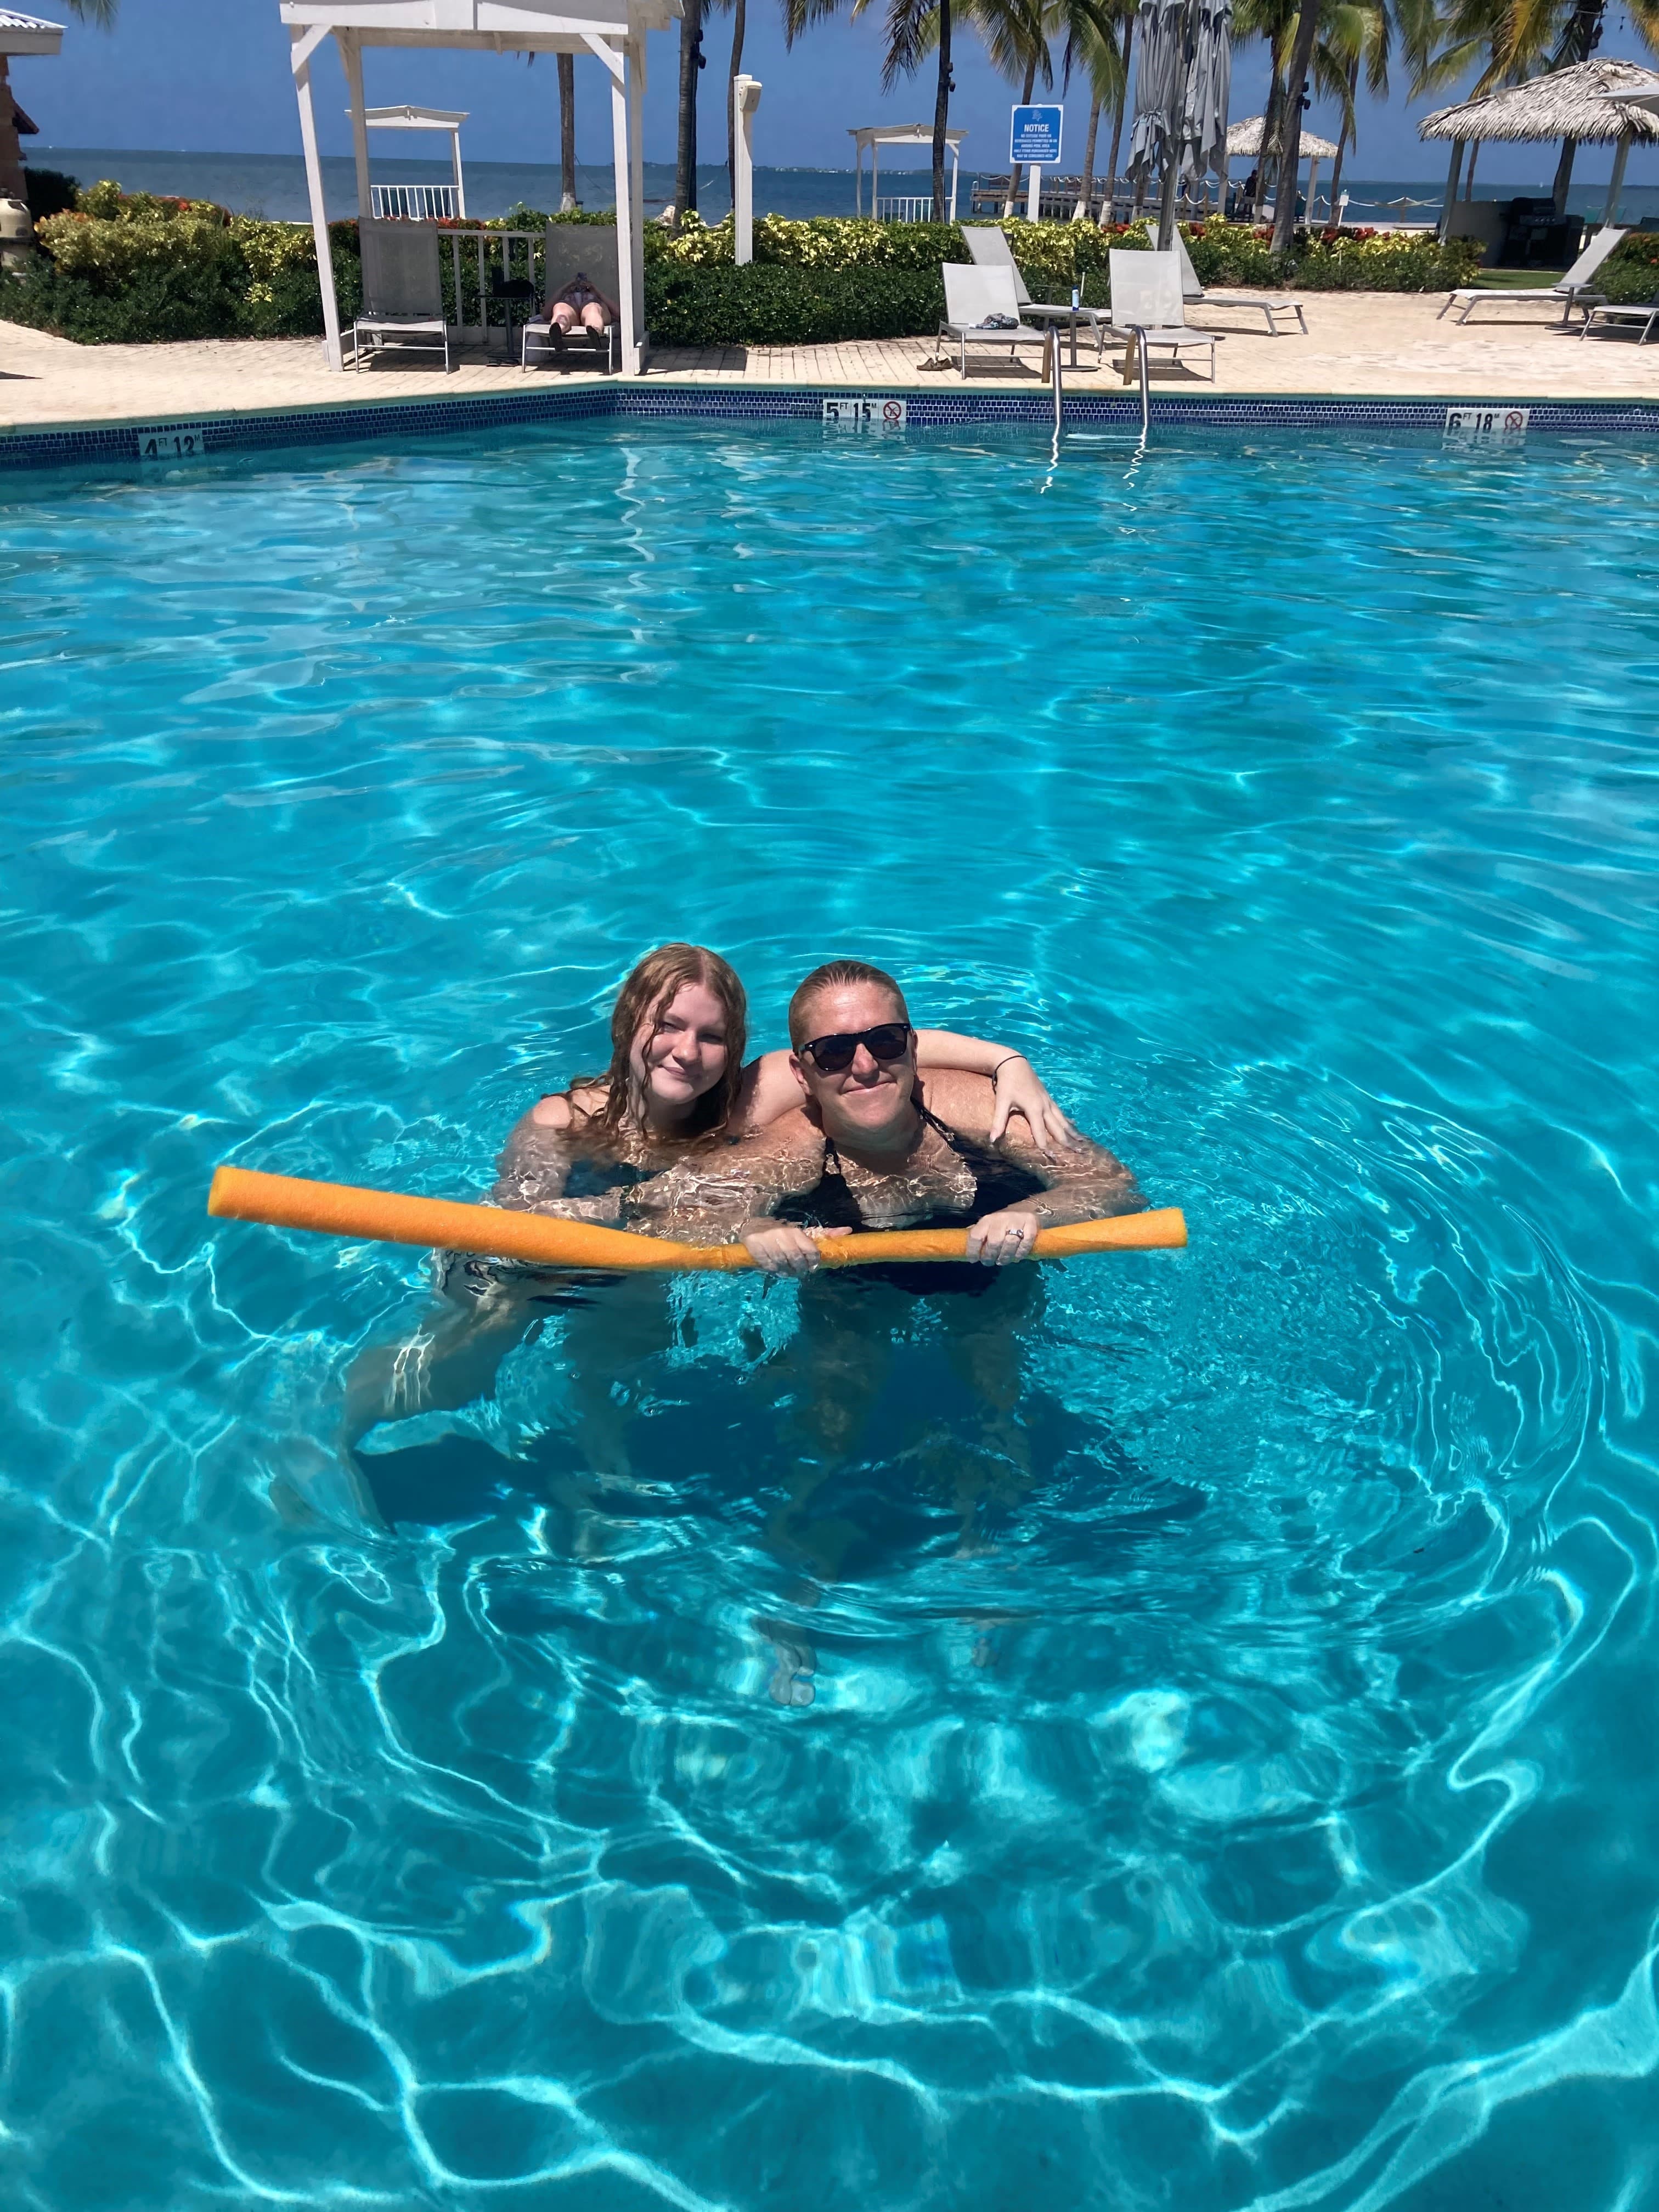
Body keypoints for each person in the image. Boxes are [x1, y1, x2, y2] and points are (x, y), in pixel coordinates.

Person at [626, 960, 1146, 1694]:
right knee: (831, 1418)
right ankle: (799, 1577)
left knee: (997, 1398)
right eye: (834, 1052)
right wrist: (752, 1229)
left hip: (989, 1272)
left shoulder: (978, 1110)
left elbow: (1114, 1186)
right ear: (803, 1073)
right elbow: (661, 1211)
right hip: (853, 1283)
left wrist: (1034, 1213)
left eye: (886, 1041)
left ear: (912, 1044)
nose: (864, 1065)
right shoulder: (793, 1147)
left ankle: (983, 1557)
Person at [345, 943, 1079, 1457]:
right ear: (628, 1026)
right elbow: (515, 1227)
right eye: (666, 1026)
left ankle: (600, 1478)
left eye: (711, 1036)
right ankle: (334, 1429)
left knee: (623, 1366)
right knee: (472, 1355)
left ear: (735, 1049)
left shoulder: (744, 1104)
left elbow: (873, 1044)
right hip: (532, 1265)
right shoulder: (561, 1121)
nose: (686, 1051)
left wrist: (1008, 1062)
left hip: (637, 1265)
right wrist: (629, 1212)